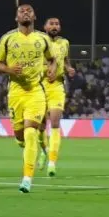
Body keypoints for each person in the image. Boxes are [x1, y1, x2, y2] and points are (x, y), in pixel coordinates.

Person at [0, 4, 57, 193]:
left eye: (29, 11)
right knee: (21, 136)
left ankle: (27, 178)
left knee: (30, 132)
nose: (26, 13)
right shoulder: (8, 38)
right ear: (16, 17)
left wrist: (52, 69)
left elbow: (52, 59)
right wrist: (9, 69)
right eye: (22, 11)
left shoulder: (43, 39)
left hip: (36, 91)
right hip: (15, 92)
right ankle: (32, 146)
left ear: (35, 16)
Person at [42, 17, 74, 176]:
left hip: (57, 86)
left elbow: (66, 59)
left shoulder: (64, 43)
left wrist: (69, 68)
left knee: (55, 122)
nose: (54, 26)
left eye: (57, 24)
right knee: (39, 124)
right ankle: (43, 150)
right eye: (51, 24)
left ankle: (52, 163)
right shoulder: (38, 41)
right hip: (40, 85)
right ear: (45, 26)